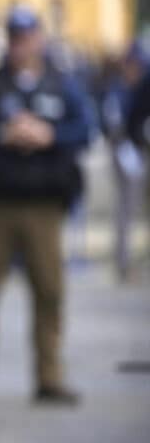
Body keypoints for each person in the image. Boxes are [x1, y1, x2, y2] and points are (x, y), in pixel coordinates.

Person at [0, 6, 90, 406]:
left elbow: (85, 128)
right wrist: (4, 133)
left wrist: (49, 134)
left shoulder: (60, 84)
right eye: (14, 37)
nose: (21, 44)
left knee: (49, 290)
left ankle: (49, 376)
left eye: (27, 36)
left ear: (40, 38)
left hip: (43, 203)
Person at [100, 42, 147, 285]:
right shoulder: (118, 90)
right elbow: (114, 124)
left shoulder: (139, 88)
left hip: (138, 149)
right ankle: (123, 261)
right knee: (126, 208)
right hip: (124, 152)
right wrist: (127, 150)